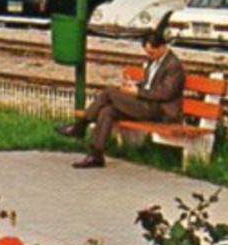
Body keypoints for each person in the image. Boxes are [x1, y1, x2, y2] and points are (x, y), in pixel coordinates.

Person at [54, 24, 186, 169]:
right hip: (145, 104)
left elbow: (166, 93)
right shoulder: (153, 61)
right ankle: (96, 155)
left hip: (159, 111)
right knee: (107, 111)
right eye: (148, 53)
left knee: (109, 92)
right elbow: (150, 84)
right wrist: (135, 86)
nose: (150, 56)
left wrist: (137, 92)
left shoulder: (173, 65)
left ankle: (81, 125)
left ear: (162, 47)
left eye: (152, 53)